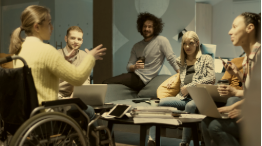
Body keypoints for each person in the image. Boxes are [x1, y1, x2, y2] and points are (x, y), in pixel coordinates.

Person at [10, 5, 106, 145]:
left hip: (26, 115)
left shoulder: (20, 50)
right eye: (49, 23)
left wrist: (63, 61)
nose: (52, 27)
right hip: (48, 115)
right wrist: (90, 58)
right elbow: (78, 77)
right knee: (89, 112)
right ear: (37, 27)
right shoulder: (47, 51)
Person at [201, 12, 261, 146]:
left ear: (250, 28)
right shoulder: (248, 59)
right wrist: (237, 75)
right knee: (206, 121)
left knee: (216, 126)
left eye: (234, 27)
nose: (229, 32)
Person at [148, 31, 215, 146]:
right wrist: (173, 79)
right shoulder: (181, 61)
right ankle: (152, 140)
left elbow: (211, 78)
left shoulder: (206, 59)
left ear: (197, 43)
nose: (187, 46)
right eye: (185, 43)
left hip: (199, 98)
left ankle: (184, 142)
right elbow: (181, 75)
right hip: (182, 98)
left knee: (190, 106)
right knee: (158, 103)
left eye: (191, 43)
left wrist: (190, 86)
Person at [102, 12, 180, 91]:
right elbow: (129, 66)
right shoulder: (136, 46)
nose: (146, 29)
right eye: (144, 26)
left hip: (143, 80)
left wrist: (181, 75)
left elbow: (171, 59)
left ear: (155, 28)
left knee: (106, 82)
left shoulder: (161, 41)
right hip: (134, 75)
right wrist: (135, 67)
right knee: (107, 83)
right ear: (141, 27)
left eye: (150, 26)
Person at [58, 26, 90, 99]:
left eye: (79, 39)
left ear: (82, 41)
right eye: (72, 38)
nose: (76, 41)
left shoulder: (85, 56)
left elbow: (85, 81)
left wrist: (74, 96)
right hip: (57, 96)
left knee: (90, 110)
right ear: (66, 39)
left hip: (77, 96)